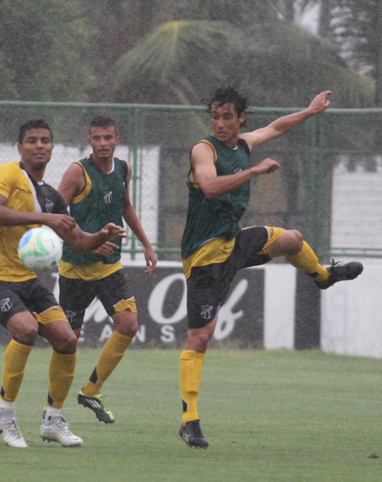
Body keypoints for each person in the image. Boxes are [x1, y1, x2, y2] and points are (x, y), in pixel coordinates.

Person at [178, 87, 363, 449]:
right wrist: (254, 172)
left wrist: (309, 111)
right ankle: (189, 420)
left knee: (292, 239)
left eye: (227, 116)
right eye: (215, 116)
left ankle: (324, 278)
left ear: (240, 118)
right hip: (205, 259)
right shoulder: (204, 149)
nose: (219, 123)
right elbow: (210, 186)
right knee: (200, 337)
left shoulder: (242, 145)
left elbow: (277, 128)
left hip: (233, 241)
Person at [0, 119, 126, 448]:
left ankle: (52, 419)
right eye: (31, 141)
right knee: (26, 329)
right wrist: (44, 219)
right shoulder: (6, 174)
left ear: (52, 148)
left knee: (67, 339)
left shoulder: (50, 196)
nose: (39, 145)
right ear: (20, 148)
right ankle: (4, 411)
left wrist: (100, 236)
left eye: (45, 140)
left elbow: (78, 240)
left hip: (26, 281)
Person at [56, 116, 157, 424]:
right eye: (97, 138)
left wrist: (146, 244)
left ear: (117, 139)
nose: (102, 143)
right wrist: (87, 242)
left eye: (108, 137)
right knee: (68, 341)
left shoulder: (123, 169)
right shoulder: (77, 172)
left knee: (128, 326)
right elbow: (54, 216)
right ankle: (54, 412)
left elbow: (125, 206)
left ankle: (91, 390)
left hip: (109, 267)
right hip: (75, 269)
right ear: (89, 141)